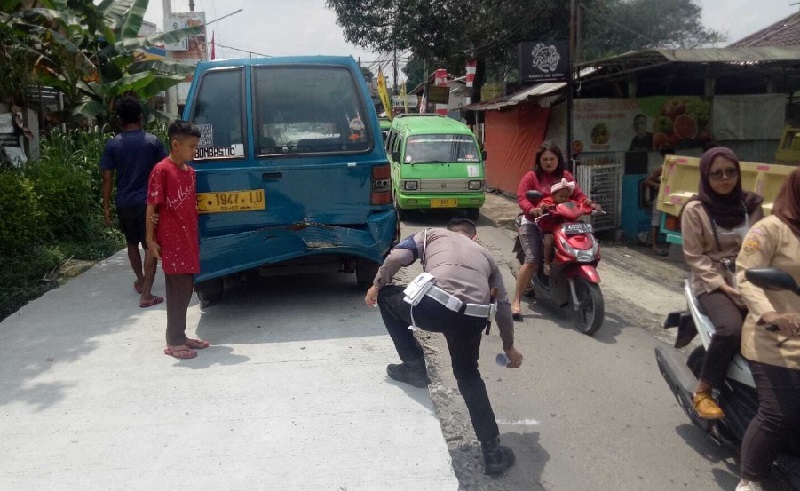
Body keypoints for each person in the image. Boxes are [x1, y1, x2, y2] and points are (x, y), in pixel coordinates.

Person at [364, 218, 523, 475]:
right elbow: (503, 305)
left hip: (433, 308)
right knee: (468, 375)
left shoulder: (431, 235)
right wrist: (509, 347)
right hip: (473, 317)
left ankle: (414, 366)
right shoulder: (486, 257)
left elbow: (396, 257)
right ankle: (492, 452)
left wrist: (376, 285)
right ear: (474, 238)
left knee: (386, 296)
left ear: (450, 233)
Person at [680, 147, 764, 420]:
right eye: (717, 174)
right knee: (731, 329)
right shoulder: (695, 210)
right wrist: (724, 285)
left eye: (731, 171)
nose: (725, 178)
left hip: (751, 278)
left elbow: (762, 247)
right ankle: (703, 390)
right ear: (706, 176)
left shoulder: (750, 204)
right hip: (711, 281)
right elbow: (695, 256)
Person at [734, 167, 800, 491]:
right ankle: (750, 479)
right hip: (774, 338)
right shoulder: (769, 229)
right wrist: (770, 314)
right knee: (779, 413)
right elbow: (746, 277)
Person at [512, 141, 599, 319]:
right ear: (539, 160)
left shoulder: (565, 176)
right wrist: (532, 209)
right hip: (535, 222)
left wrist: (588, 202)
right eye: (545, 159)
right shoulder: (531, 177)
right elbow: (522, 198)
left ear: (558, 160)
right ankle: (516, 301)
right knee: (532, 260)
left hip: (561, 220)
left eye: (552, 159)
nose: (549, 162)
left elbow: (578, 194)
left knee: (580, 248)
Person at [146, 120, 208, 360]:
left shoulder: (189, 173)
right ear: (175, 145)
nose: (194, 151)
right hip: (172, 241)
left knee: (187, 288)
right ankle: (174, 341)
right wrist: (150, 240)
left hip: (188, 239)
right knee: (177, 289)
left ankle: (180, 335)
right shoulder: (161, 170)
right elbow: (152, 207)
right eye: (191, 147)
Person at [100, 96, 167, 308]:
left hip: (124, 202)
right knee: (150, 245)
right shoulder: (152, 142)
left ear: (120, 120)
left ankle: (140, 280)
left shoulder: (113, 144)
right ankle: (147, 292)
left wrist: (106, 207)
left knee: (131, 243)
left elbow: (107, 178)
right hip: (148, 203)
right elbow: (164, 172)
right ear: (140, 116)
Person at [538, 177, 590, 275]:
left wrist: (586, 205)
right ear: (553, 194)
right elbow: (541, 205)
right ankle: (547, 263)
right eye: (561, 196)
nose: (564, 199)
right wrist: (544, 207)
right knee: (549, 241)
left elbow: (579, 206)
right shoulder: (548, 201)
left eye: (566, 196)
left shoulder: (570, 203)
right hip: (549, 228)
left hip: (565, 228)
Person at [645, 147, 674, 257]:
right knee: (656, 221)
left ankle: (668, 245)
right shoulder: (662, 168)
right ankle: (654, 244)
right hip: (660, 197)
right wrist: (659, 186)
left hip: (672, 199)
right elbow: (648, 181)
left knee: (670, 221)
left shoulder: (677, 169)